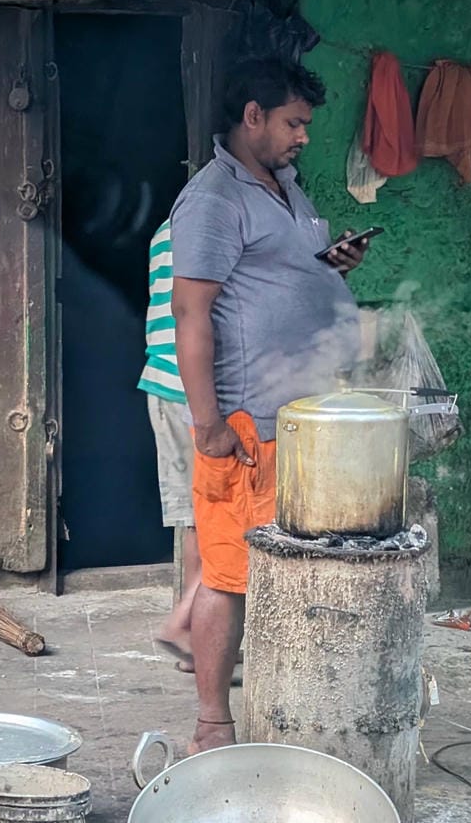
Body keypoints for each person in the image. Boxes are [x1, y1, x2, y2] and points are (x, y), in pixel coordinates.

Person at [170, 56, 368, 754]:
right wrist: (209, 424)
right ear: (252, 116)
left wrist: (334, 266)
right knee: (228, 576)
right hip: (249, 423)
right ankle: (212, 726)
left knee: (295, 568)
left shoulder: (287, 186)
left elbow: (288, 276)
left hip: (306, 420)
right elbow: (191, 313)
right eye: (293, 123)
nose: (303, 137)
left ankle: (292, 711)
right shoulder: (213, 199)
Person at [138, 214, 201, 669]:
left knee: (197, 520)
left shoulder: (166, 230)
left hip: (163, 383)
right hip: (198, 389)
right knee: (231, 516)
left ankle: (196, 638)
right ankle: (184, 624)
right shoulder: (219, 225)